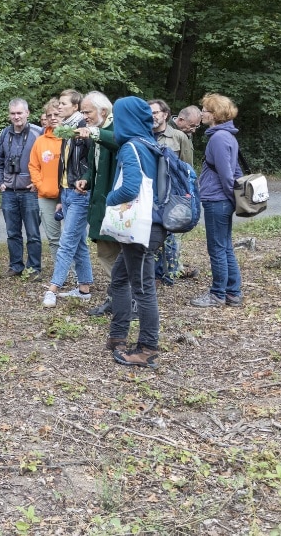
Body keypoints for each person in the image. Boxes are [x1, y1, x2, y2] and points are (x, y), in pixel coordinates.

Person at [106, 96, 165, 369]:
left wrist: (109, 198)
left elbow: (130, 188)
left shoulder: (131, 147)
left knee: (142, 289)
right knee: (119, 279)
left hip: (141, 229)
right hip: (150, 226)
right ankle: (118, 336)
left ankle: (147, 348)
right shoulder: (150, 143)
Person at [190, 93, 244, 308]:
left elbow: (227, 175)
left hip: (218, 200)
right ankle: (233, 292)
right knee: (225, 246)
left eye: (204, 110)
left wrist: (231, 198)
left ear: (214, 114)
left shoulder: (219, 138)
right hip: (222, 199)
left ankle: (218, 294)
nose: (201, 113)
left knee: (217, 249)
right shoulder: (227, 135)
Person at [42, 90, 93, 307]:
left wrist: (85, 181)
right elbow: (64, 165)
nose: (58, 107)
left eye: (63, 104)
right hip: (67, 192)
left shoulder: (85, 128)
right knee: (79, 242)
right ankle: (84, 288)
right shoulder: (66, 129)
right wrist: (62, 196)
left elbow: (91, 162)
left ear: (75, 106)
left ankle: (53, 288)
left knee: (67, 241)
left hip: (80, 192)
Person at [75, 92, 120, 317]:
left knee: (118, 255)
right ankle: (115, 299)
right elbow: (94, 165)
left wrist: (95, 133)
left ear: (103, 111)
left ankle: (125, 301)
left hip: (118, 207)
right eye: (82, 112)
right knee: (105, 252)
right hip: (100, 204)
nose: (84, 117)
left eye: (87, 112)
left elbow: (117, 142)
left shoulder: (115, 128)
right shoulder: (98, 133)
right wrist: (86, 178)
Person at [0, 99, 43, 276]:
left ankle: (34, 268)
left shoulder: (39, 133)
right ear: (9, 115)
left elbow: (48, 161)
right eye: (13, 113)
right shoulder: (4, 134)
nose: (16, 117)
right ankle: (16, 266)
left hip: (30, 192)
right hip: (9, 192)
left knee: (33, 233)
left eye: (19, 113)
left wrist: (38, 183)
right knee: (12, 232)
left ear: (27, 113)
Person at [149, 98, 195, 285]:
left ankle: (169, 273)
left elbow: (188, 168)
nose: (152, 116)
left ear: (165, 114)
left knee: (171, 235)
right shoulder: (143, 135)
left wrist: (187, 195)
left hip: (172, 195)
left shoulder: (178, 137)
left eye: (155, 112)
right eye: (149, 113)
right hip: (149, 194)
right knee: (151, 234)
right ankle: (152, 274)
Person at [29, 99, 63, 260]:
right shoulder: (40, 141)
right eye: (49, 115)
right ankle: (60, 274)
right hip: (47, 195)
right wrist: (40, 186)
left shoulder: (72, 137)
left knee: (73, 238)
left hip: (70, 195)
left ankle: (78, 274)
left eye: (57, 114)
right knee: (54, 238)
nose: (53, 118)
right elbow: (33, 166)